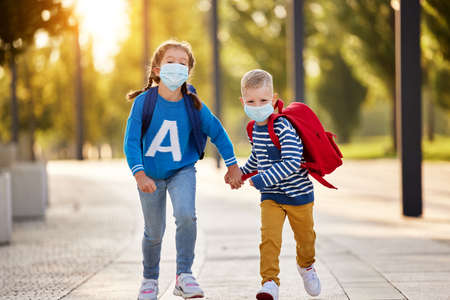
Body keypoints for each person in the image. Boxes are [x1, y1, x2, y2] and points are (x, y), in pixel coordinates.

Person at [124, 40, 242, 300]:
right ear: (156, 70)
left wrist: (233, 164)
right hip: (149, 175)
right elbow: (131, 142)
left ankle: (184, 275)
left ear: (188, 71)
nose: (177, 67)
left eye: (183, 63)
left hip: (182, 171)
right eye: (170, 62)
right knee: (154, 231)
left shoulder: (194, 104)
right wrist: (139, 173)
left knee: (186, 215)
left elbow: (217, 132)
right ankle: (150, 279)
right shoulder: (144, 103)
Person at [231, 69, 321, 300]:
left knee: (306, 240)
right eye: (251, 101)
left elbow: (292, 161)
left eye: (263, 100)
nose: (257, 105)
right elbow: (258, 157)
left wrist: (262, 179)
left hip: (298, 195)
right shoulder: (253, 129)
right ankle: (269, 282)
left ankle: (307, 266)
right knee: (269, 240)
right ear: (243, 101)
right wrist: (241, 173)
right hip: (271, 197)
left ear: (273, 99)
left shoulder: (283, 127)